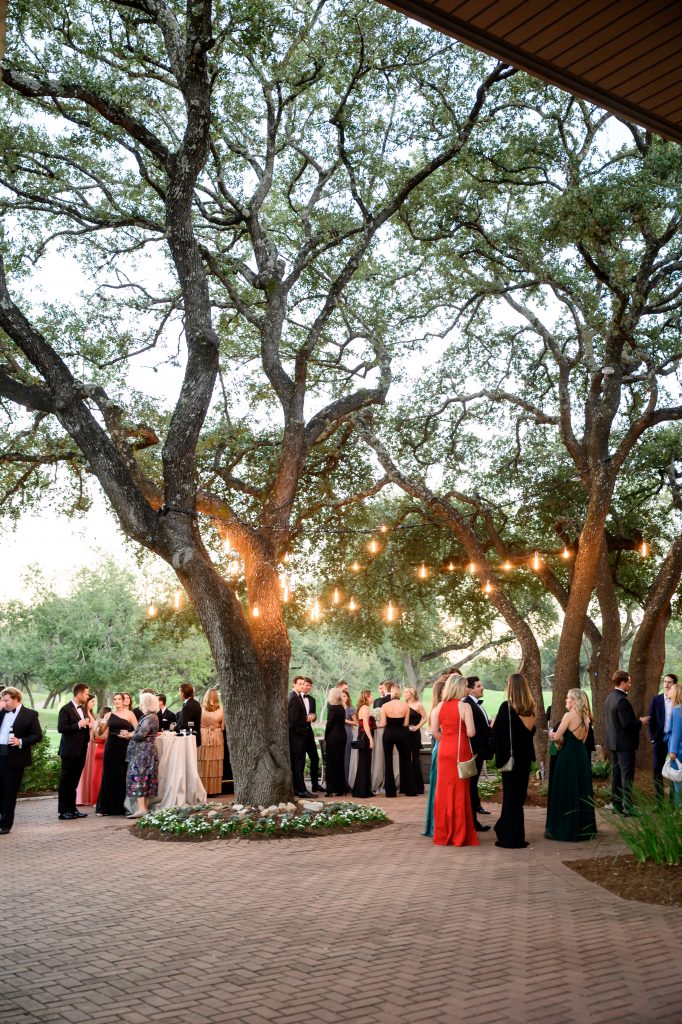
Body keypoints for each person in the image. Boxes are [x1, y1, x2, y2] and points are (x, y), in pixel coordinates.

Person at [431, 674, 479, 847]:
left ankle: (443, 834)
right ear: (459, 688)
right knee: (460, 792)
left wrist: (446, 739)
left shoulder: (439, 707)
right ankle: (460, 834)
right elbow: (472, 732)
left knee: (443, 791)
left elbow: (434, 731)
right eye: (465, 686)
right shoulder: (464, 706)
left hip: (444, 749)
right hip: (460, 749)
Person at [544, 688, 597, 842]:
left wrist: (551, 734)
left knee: (565, 788)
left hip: (567, 756)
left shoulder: (568, 716)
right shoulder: (586, 718)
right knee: (581, 788)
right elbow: (584, 740)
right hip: (580, 755)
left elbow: (557, 736)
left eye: (568, 698)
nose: (566, 700)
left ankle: (564, 826)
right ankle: (583, 827)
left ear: (574, 700)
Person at [492, 673, 536, 849]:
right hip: (524, 759)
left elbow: (497, 737)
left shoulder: (506, 708)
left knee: (510, 797)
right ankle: (510, 830)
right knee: (518, 797)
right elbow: (529, 734)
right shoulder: (532, 709)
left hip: (510, 759)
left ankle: (510, 836)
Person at [604, 670, 649, 815]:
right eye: (629, 682)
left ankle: (616, 804)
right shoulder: (622, 700)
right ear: (622, 683)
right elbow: (627, 724)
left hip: (613, 742)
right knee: (627, 775)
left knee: (616, 774)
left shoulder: (610, 697)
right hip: (624, 744)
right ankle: (628, 807)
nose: (630, 684)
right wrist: (640, 722)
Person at [0, 687, 43, 835]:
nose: (3, 703)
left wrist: (21, 741)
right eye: (2, 700)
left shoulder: (30, 714)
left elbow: (37, 735)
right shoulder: (1, 712)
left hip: (15, 758)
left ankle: (5, 824)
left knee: (9, 792)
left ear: (16, 699)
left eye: (6, 700)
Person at [96, 692, 138, 816]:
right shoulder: (108, 715)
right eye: (115, 699)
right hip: (111, 746)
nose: (117, 701)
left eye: (119, 699)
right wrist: (100, 726)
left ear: (123, 700)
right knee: (108, 775)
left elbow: (138, 730)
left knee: (122, 774)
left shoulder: (130, 714)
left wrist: (129, 735)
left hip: (124, 746)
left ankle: (121, 807)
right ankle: (104, 808)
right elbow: (100, 732)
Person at [57, 682, 92, 820]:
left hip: (81, 750)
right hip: (69, 751)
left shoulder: (83, 709)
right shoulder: (65, 709)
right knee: (66, 781)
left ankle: (72, 809)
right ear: (79, 694)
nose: (87, 696)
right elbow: (61, 728)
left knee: (74, 782)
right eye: (86, 693)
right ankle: (63, 811)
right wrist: (79, 724)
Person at [463, 676, 492, 831]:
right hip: (474, 752)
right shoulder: (466, 704)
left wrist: (489, 725)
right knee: (471, 786)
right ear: (470, 689)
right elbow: (469, 731)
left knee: (473, 785)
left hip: (480, 751)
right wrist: (474, 752)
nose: (482, 687)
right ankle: (472, 822)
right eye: (479, 685)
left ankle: (473, 820)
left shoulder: (475, 704)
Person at [126, 692, 160, 818]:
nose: (139, 705)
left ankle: (142, 809)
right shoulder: (150, 716)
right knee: (143, 777)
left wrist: (130, 735)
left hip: (143, 753)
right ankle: (143, 808)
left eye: (141, 702)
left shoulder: (150, 717)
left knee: (140, 777)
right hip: (145, 752)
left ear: (146, 703)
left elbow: (141, 734)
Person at [422, 674, 448, 837]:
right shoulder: (438, 708)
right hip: (442, 746)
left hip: (441, 745)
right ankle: (436, 823)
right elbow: (434, 731)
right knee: (438, 784)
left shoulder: (439, 707)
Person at [380, 683, 416, 798]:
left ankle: (390, 792)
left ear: (391, 693)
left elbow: (383, 723)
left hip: (388, 733)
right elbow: (406, 723)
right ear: (400, 693)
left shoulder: (385, 706)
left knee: (388, 761)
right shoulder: (406, 706)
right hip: (402, 733)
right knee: (406, 760)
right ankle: (409, 790)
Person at [648, 673, 676, 802]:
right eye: (664, 681)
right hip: (659, 739)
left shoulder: (679, 701)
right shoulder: (656, 700)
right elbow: (651, 720)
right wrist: (653, 738)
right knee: (656, 769)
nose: (666, 684)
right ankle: (659, 802)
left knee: (675, 770)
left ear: (674, 684)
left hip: (674, 740)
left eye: (669, 682)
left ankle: (673, 802)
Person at [76, 699, 108, 807]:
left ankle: (90, 795)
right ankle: (81, 796)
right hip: (89, 742)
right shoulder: (83, 713)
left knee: (93, 769)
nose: (93, 703)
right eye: (92, 701)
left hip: (94, 743)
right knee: (86, 768)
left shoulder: (90, 713)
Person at [197, 688, 225, 795]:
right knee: (215, 762)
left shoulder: (200, 709)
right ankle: (214, 790)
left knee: (202, 762)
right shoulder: (221, 710)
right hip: (216, 736)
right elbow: (222, 726)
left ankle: (202, 790)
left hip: (203, 735)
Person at [351, 690, 376, 798]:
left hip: (363, 735)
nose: (373, 698)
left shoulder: (364, 708)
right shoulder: (365, 708)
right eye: (372, 696)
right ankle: (362, 791)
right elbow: (366, 725)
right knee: (364, 763)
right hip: (365, 736)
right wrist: (370, 739)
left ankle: (362, 790)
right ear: (367, 697)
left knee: (365, 763)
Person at [288, 676, 310, 797]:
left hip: (299, 735)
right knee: (297, 763)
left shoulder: (297, 696)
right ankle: (300, 790)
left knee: (299, 763)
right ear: (294, 684)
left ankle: (300, 789)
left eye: (303, 684)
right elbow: (293, 720)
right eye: (300, 684)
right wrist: (306, 719)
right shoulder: (293, 698)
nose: (302, 686)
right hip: (296, 736)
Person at [301, 677, 323, 794]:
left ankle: (315, 785)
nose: (308, 687)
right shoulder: (295, 698)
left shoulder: (312, 700)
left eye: (310, 685)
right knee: (301, 761)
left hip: (309, 732)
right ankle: (301, 787)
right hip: (299, 734)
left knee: (315, 758)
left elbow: (314, 715)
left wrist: (313, 717)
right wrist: (305, 718)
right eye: (306, 684)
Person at [324, 687, 348, 796]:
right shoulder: (342, 708)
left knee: (331, 763)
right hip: (342, 735)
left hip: (333, 737)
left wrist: (325, 736)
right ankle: (341, 788)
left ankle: (330, 789)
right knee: (339, 762)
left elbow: (329, 724)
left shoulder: (333, 708)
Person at [404, 686, 427, 795]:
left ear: (412, 693)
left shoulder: (419, 704)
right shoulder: (404, 704)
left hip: (414, 733)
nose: (405, 694)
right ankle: (408, 785)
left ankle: (418, 786)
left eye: (406, 692)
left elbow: (425, 718)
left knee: (415, 759)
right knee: (407, 758)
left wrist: (417, 727)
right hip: (405, 734)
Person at [667, 681, 682, 807]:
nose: (668, 692)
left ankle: (678, 811)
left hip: (678, 751)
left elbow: (676, 732)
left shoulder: (677, 710)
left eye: (670, 690)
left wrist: (673, 751)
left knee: (678, 783)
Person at [342, 689, 358, 789]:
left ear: (347, 697)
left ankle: (347, 782)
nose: (343, 697)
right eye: (341, 696)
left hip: (347, 732)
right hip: (338, 733)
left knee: (347, 756)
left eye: (344, 696)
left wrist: (345, 720)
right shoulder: (336, 708)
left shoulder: (351, 709)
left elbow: (356, 723)